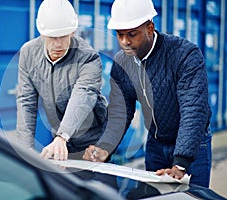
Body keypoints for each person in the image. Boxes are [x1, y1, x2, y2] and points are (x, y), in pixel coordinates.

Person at [83, 0, 212, 188]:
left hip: (193, 149)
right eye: (120, 35)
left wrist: (180, 162)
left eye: (132, 34)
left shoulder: (184, 55)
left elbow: (193, 109)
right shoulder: (121, 63)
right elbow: (120, 112)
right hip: (156, 146)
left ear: (150, 28)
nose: (125, 42)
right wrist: (104, 148)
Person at [16, 0, 107, 161]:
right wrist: (26, 150)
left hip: (92, 141)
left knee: (95, 185)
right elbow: (26, 102)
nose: (58, 44)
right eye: (52, 37)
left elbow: (83, 95)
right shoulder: (28, 53)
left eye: (63, 36)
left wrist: (63, 135)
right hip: (59, 139)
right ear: (42, 33)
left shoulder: (88, 57)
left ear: (72, 32)